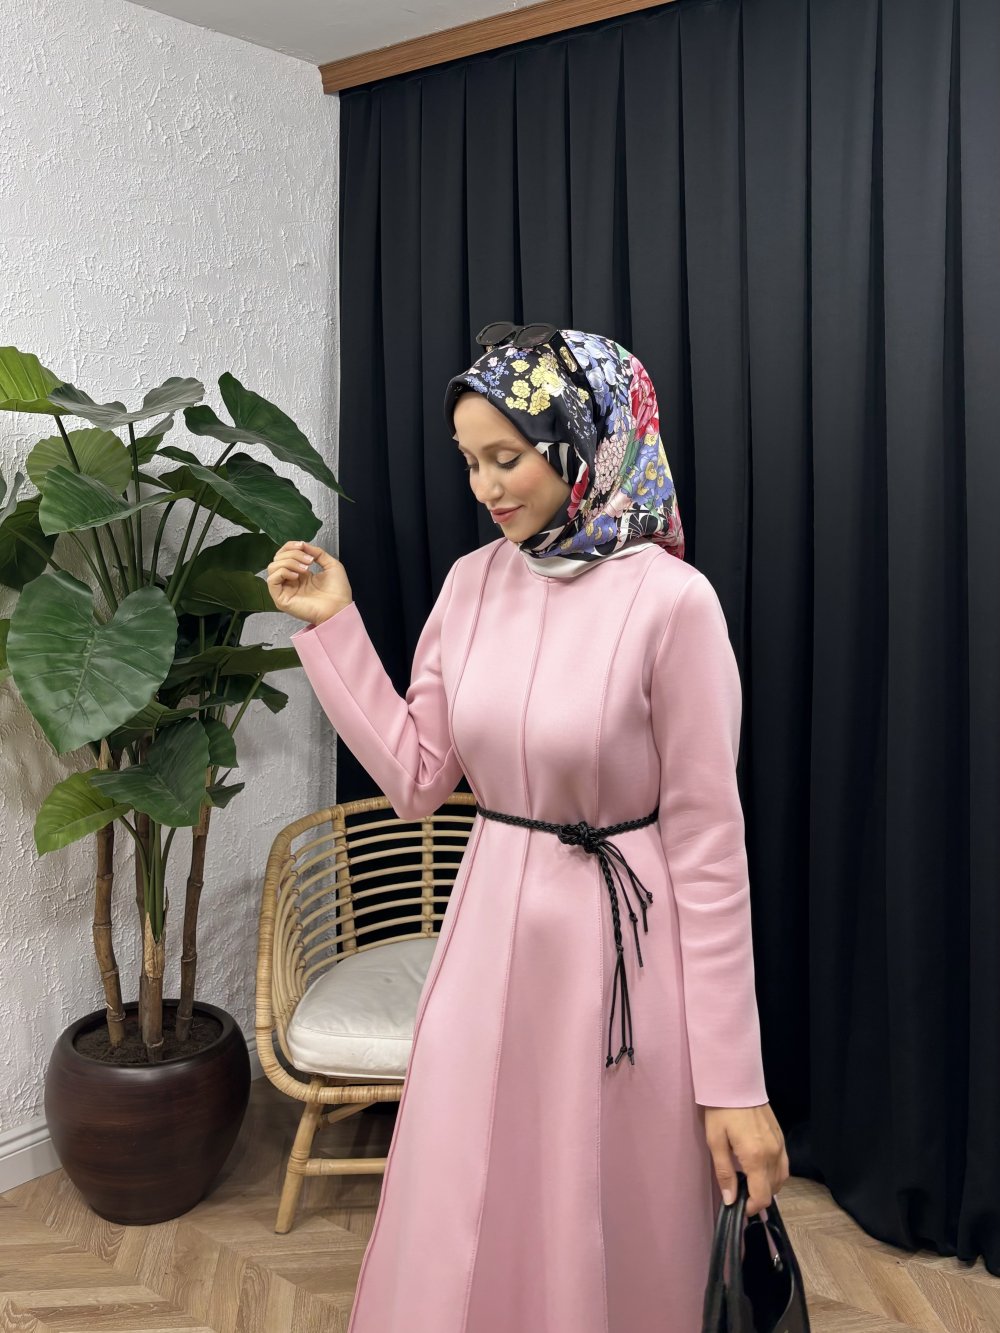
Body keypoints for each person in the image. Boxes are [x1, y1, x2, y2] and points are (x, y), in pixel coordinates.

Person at [266, 325, 788, 1332]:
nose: (485, 487)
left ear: (581, 437)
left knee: (610, 1210)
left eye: (505, 456)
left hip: (623, 961)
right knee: (469, 1200)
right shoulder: (471, 584)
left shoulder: (673, 603)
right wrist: (334, 623)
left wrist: (735, 1084)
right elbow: (417, 777)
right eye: (469, 462)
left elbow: (711, 855)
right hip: (486, 939)